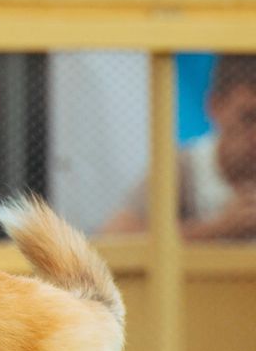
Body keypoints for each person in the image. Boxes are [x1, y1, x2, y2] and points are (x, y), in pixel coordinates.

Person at [103, 54, 256, 240]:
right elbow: (114, 238)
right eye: (249, 118)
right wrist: (217, 229)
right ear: (215, 106)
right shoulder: (185, 169)